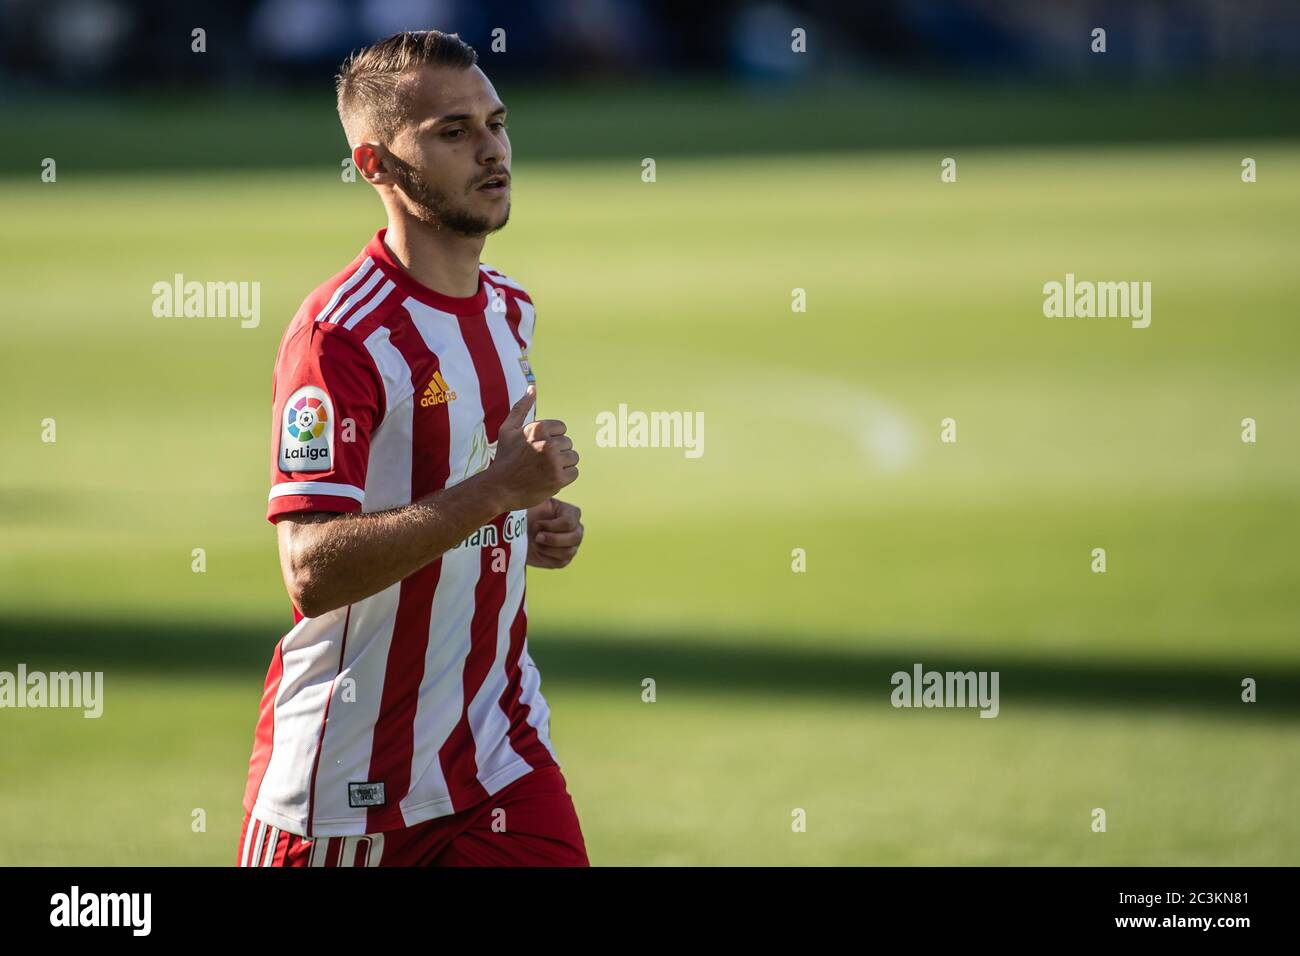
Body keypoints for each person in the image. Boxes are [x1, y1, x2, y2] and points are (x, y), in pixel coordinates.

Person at [236, 30, 588, 866]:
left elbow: (473, 476)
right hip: (351, 788)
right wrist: (494, 496)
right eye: (453, 133)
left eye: (496, 123)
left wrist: (532, 516)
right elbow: (311, 570)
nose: (493, 150)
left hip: (500, 752)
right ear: (375, 165)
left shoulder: (509, 309)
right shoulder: (342, 337)